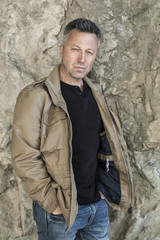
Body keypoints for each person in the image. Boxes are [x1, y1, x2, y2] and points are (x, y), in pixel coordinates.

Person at [11, 18, 134, 240]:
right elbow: (24, 156)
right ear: (61, 50)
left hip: (96, 207)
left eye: (90, 52)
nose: (82, 59)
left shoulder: (95, 92)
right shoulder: (37, 95)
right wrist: (52, 203)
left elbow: (106, 145)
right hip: (61, 212)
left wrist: (104, 193)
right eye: (75, 49)